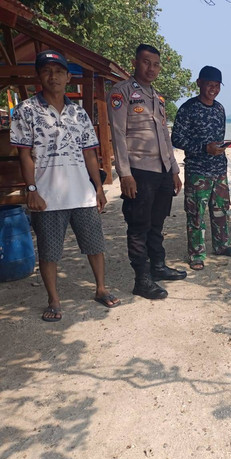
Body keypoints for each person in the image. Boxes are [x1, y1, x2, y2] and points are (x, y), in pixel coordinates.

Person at [10, 50, 120, 321]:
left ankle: (101, 288)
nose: (53, 76)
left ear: (68, 77)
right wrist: (31, 189)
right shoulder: (26, 110)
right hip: (47, 196)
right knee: (49, 251)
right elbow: (24, 153)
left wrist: (98, 187)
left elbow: (89, 154)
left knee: (95, 245)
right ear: (39, 76)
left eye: (59, 71)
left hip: (81, 192)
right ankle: (54, 300)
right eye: (47, 71)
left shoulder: (78, 113)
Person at [107, 44, 186, 300]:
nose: (151, 68)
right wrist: (125, 174)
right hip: (139, 171)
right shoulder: (122, 92)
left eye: (155, 64)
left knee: (158, 221)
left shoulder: (157, 97)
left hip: (162, 170)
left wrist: (174, 169)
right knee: (138, 225)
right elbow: (117, 134)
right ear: (135, 62)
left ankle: (158, 266)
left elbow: (165, 134)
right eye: (146, 62)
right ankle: (141, 279)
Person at [171, 66, 231, 270]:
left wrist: (218, 149)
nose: (214, 89)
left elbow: (217, 137)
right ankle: (196, 254)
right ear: (199, 83)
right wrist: (203, 148)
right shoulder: (187, 108)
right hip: (197, 171)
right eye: (210, 84)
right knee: (196, 214)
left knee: (221, 210)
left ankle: (222, 245)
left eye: (217, 85)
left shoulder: (220, 109)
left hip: (219, 169)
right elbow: (176, 138)